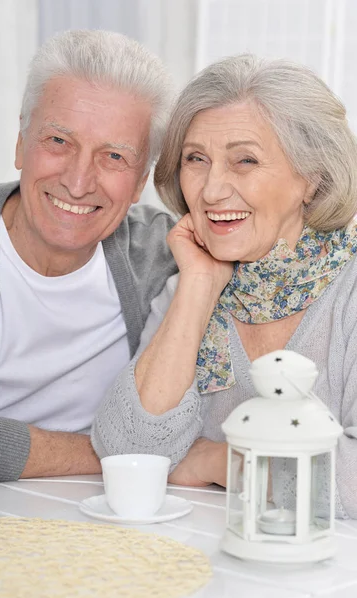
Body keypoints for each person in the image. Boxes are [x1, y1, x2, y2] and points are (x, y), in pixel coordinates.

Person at [92, 54, 357, 518]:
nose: (212, 190)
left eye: (245, 160)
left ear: (312, 181)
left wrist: (223, 461)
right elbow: (128, 454)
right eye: (197, 159)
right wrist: (198, 285)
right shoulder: (187, 284)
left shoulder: (348, 292)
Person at [0, 29, 178, 483]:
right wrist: (125, 459)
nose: (79, 183)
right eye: (59, 141)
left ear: (140, 184)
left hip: (117, 522)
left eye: (114, 156)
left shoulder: (165, 255)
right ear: (21, 142)